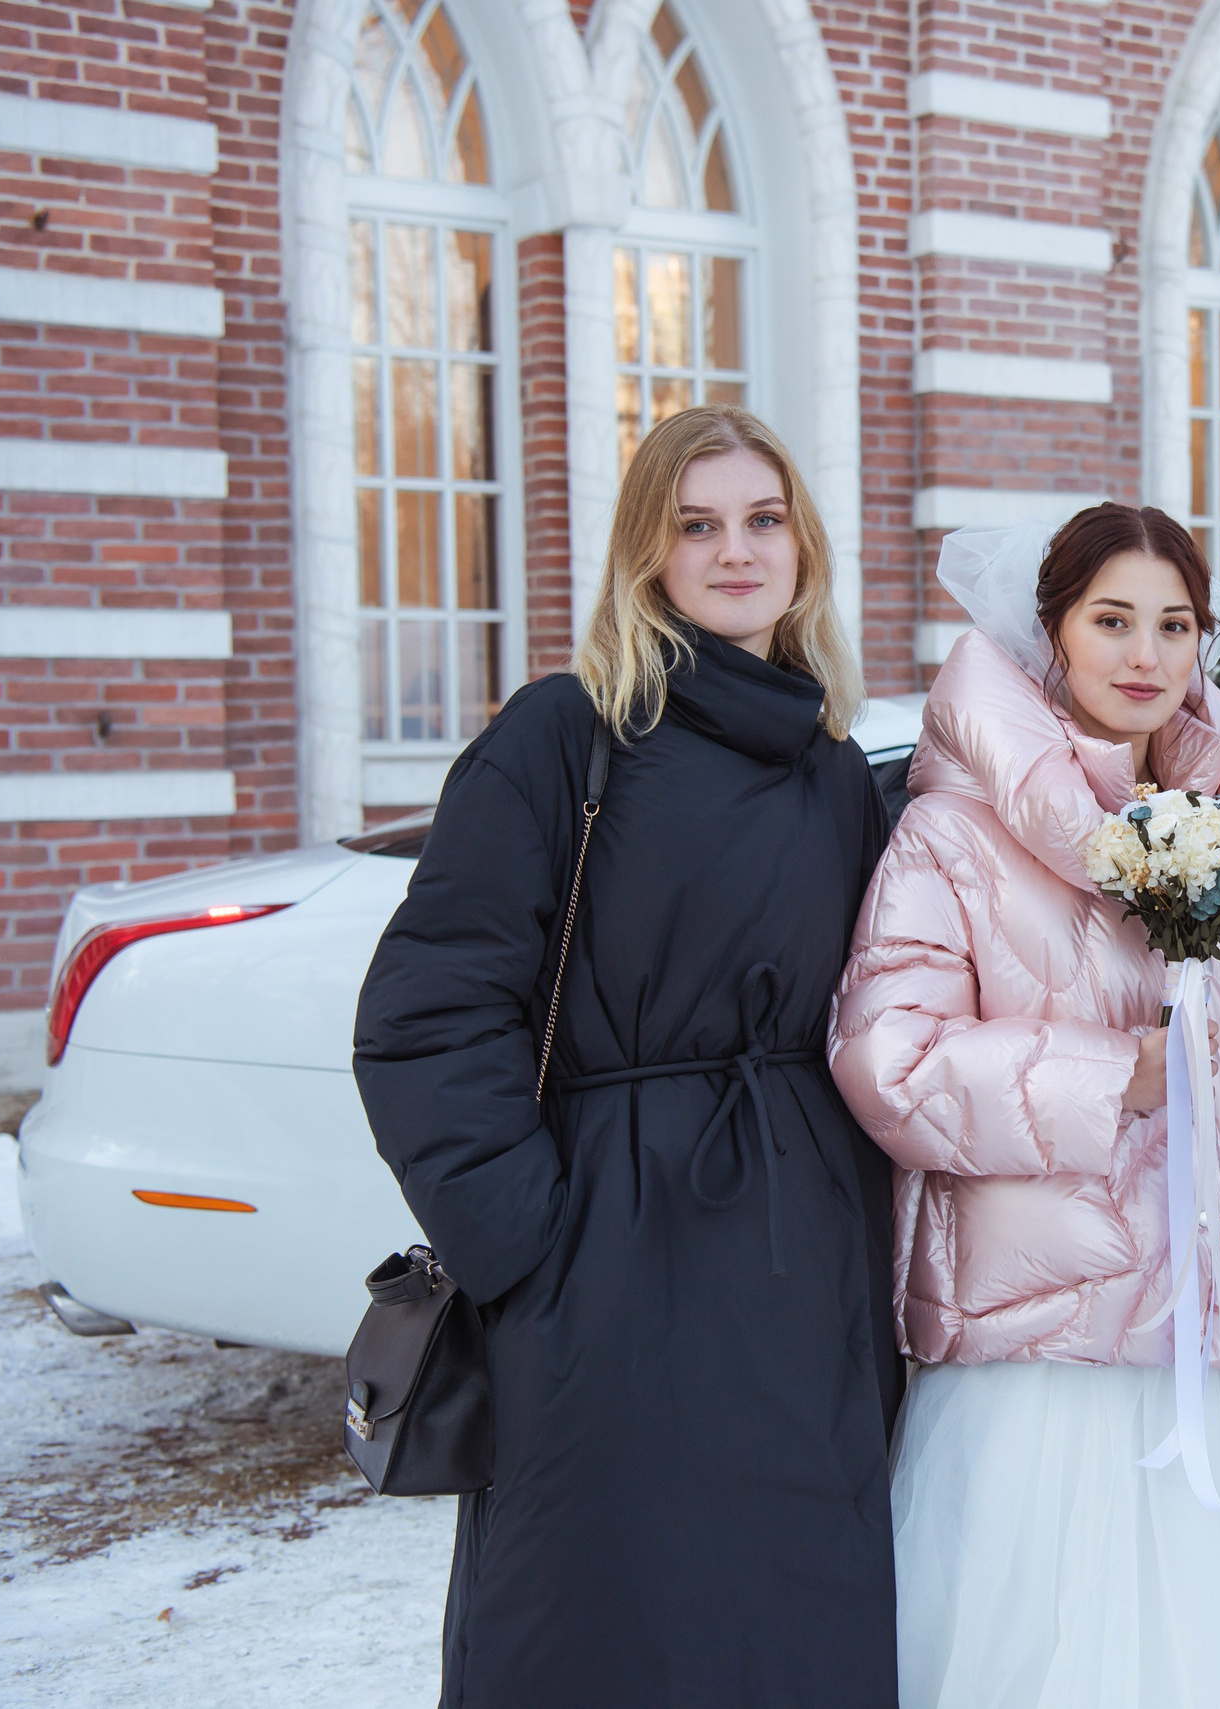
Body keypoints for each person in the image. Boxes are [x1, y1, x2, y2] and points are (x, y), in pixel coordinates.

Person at [353, 405, 901, 1707]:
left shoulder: (830, 768)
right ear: (645, 551)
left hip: (803, 1273)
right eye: (696, 524)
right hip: (606, 1266)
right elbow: (428, 1011)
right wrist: (528, 1250)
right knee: (595, 1626)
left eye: (763, 520)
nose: (734, 551)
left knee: (795, 1625)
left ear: (804, 544)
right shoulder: (566, 733)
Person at [828, 503, 1220, 1708]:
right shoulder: (955, 832)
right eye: (1111, 621)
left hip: (1216, 1328)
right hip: (1045, 1353)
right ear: (1050, 635)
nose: (1145, 654)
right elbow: (888, 1059)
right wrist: (1113, 1078)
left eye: (1174, 623)